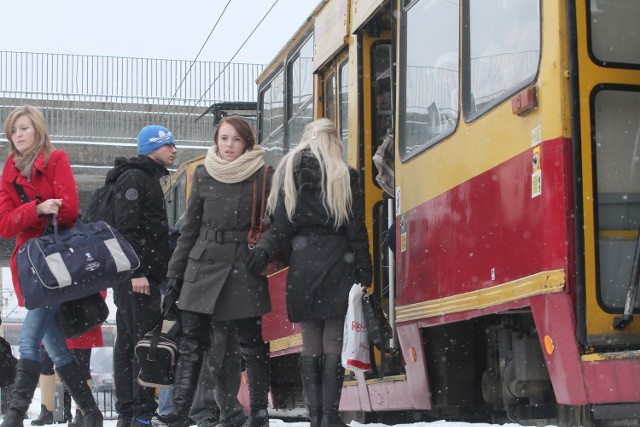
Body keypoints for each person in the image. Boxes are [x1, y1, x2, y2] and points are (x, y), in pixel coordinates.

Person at [248, 118, 373, 427]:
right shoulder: (347, 176)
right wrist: (364, 270)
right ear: (335, 142)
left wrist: (263, 251)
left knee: (309, 341)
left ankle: (314, 416)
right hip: (338, 261)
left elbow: (281, 226)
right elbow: (357, 231)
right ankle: (330, 416)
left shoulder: (290, 174)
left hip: (304, 264)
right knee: (333, 340)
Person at [160, 115, 272, 427]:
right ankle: (180, 412)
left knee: (251, 343)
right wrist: (175, 274)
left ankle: (259, 413)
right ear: (216, 141)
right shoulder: (203, 174)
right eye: (224, 138)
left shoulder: (263, 175)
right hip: (203, 263)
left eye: (236, 139)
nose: (229, 145)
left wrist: (264, 249)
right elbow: (190, 227)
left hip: (242, 266)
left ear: (247, 142)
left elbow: (277, 220)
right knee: (191, 342)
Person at [0, 105, 104, 427]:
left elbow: (70, 209)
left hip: (58, 266)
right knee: (57, 350)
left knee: (30, 339)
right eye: (13, 130)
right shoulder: (9, 172)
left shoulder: (56, 159)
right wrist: (39, 207)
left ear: (39, 131)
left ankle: (15, 415)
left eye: (24, 129)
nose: (18, 135)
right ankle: (92, 413)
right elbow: (5, 225)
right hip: (32, 270)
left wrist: (33, 213)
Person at [111, 125, 177, 427]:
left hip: (141, 276)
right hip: (137, 278)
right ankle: (138, 413)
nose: (174, 150)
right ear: (152, 147)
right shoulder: (135, 178)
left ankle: (131, 412)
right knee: (140, 344)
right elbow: (128, 229)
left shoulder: (146, 177)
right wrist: (137, 271)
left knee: (129, 342)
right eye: (169, 145)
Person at [33, 316, 104, 427]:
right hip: (58, 314)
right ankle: (46, 410)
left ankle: (82, 413)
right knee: (44, 361)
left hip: (77, 313)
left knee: (82, 367)